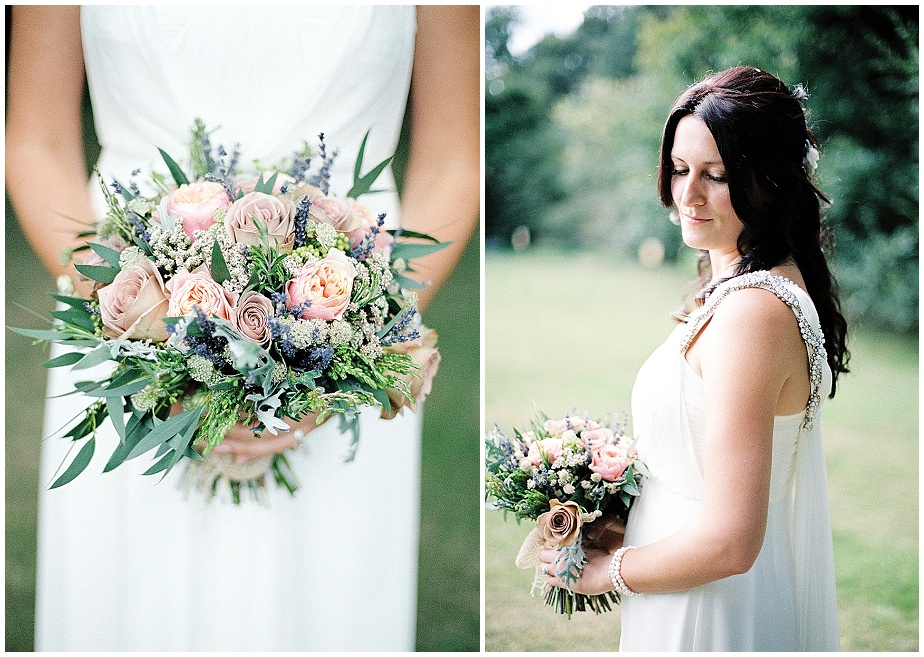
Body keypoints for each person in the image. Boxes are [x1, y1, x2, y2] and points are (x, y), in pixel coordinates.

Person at [6, 5, 478, 651]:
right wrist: (137, 324)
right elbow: (36, 140)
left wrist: (351, 343)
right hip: (123, 317)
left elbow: (454, 158)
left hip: (349, 295)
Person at [537, 66, 847, 650]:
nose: (688, 195)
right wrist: (620, 516)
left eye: (717, 175)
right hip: (686, 582)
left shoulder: (753, 314)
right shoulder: (750, 287)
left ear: (769, 180)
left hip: (710, 613)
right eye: (680, 169)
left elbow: (731, 540)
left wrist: (612, 571)